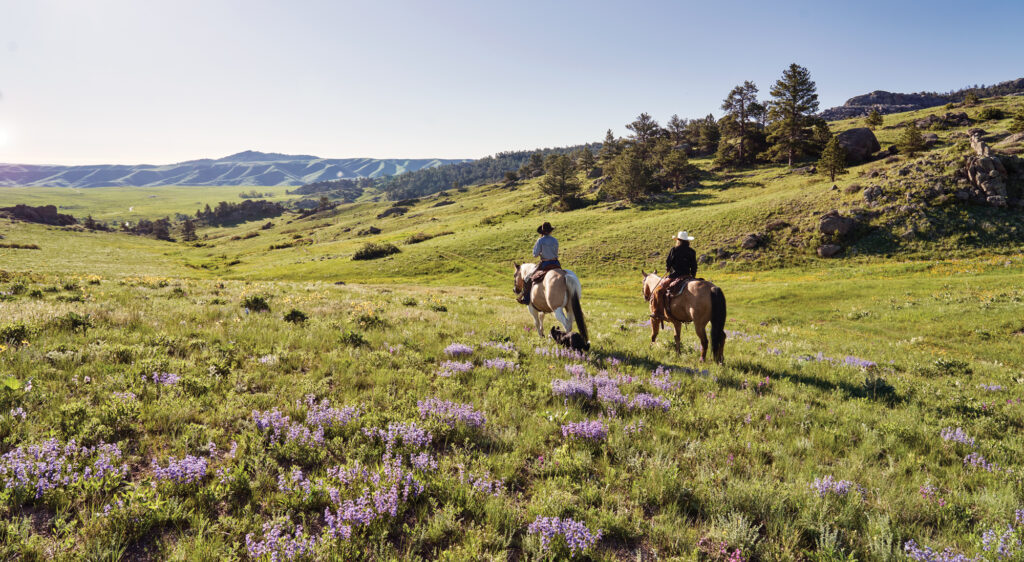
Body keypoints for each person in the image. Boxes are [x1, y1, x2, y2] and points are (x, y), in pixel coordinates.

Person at [652, 231, 698, 319]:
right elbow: (694, 266)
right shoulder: (692, 251)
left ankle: (657, 312)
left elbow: (668, 262)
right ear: (687, 241)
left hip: (675, 276)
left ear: (678, 240)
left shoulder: (674, 250)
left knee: (658, 291)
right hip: (687, 276)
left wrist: (668, 268)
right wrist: (693, 276)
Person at [518, 222, 560, 305]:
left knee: (527, 279)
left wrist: (541, 252)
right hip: (556, 263)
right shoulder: (555, 240)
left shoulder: (540, 240)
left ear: (542, 232)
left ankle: (526, 299)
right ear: (551, 231)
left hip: (545, 264)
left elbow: (535, 254)